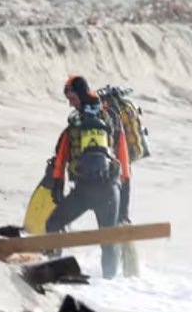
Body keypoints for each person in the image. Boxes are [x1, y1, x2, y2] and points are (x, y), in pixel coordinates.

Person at [47, 76, 131, 280]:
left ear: (82, 94)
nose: (70, 103)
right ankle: (112, 288)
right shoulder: (110, 119)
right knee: (108, 243)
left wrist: (57, 185)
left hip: (84, 192)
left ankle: (52, 271)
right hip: (110, 190)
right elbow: (124, 162)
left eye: (73, 98)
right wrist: (124, 204)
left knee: (53, 224)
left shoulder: (76, 122)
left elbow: (62, 157)